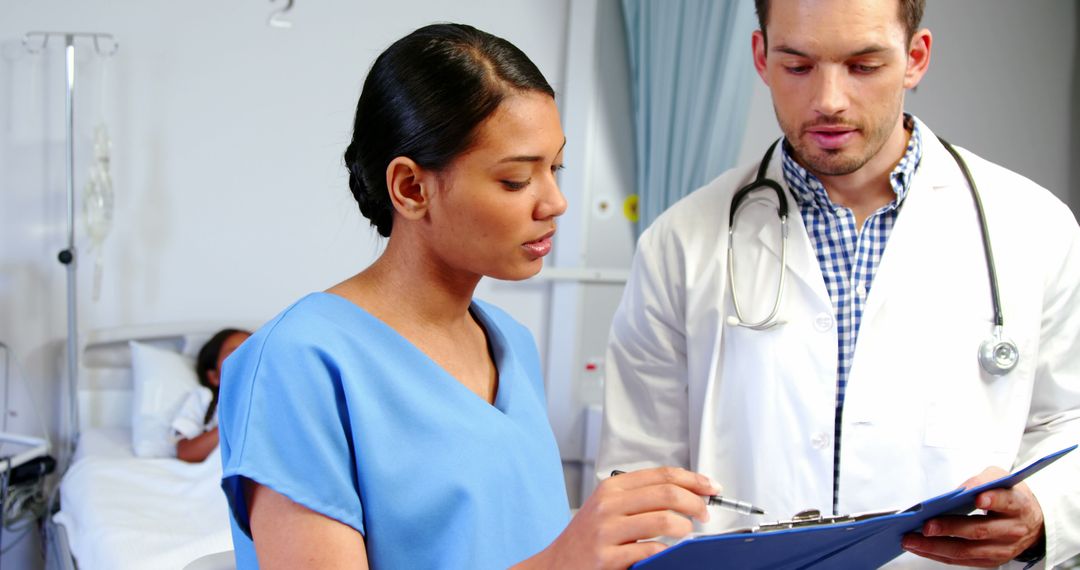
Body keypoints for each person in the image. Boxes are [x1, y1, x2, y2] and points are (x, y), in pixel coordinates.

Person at [218, 23, 721, 569]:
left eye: (555, 168)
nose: (555, 202)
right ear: (411, 188)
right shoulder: (298, 363)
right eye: (516, 180)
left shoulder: (512, 345)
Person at [598, 0, 1080, 568]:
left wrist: (1046, 510)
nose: (828, 100)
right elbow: (638, 473)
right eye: (798, 66)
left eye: (863, 65)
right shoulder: (679, 242)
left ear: (915, 58)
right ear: (761, 57)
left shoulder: (1032, 226)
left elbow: (1068, 421)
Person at [173, 328, 251, 463]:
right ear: (214, 376)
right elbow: (185, 452)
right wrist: (238, 421)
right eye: (236, 355)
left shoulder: (279, 399)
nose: (248, 361)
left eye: (254, 353)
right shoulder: (204, 398)